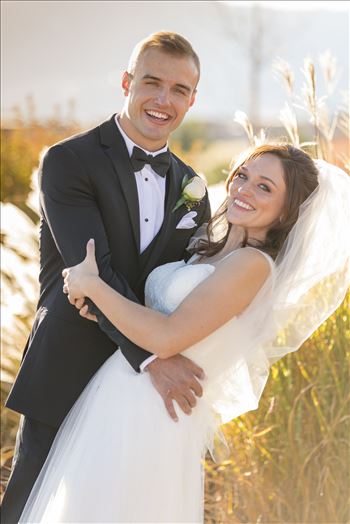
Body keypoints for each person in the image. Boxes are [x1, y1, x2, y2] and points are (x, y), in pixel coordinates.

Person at [18, 145, 350, 522]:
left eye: (264, 187)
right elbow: (156, 319)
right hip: (120, 393)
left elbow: (167, 337)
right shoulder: (211, 249)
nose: (244, 189)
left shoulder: (253, 265)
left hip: (153, 412)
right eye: (243, 175)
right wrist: (99, 310)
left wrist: (93, 287)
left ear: (288, 210)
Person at [1, 31, 212, 523]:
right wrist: (154, 358)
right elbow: (90, 272)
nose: (164, 100)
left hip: (136, 395)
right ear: (126, 82)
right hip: (70, 364)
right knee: (31, 503)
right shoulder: (68, 161)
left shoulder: (192, 188)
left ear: (192, 99)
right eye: (152, 83)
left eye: (179, 90)